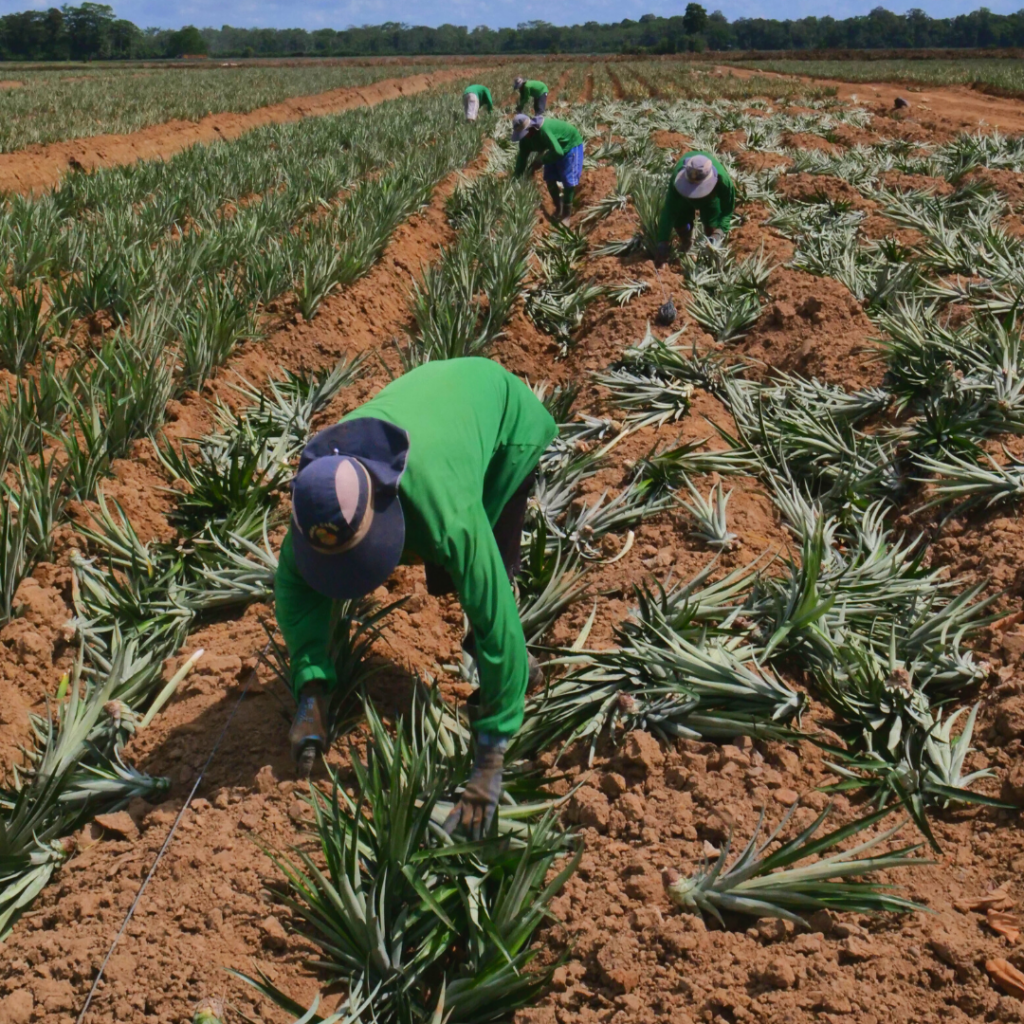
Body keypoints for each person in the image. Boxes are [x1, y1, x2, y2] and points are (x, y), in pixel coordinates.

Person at [276, 358, 557, 840]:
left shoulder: (446, 509)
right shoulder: (319, 503)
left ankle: (507, 681)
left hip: (501, 421)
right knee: (452, 569)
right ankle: (501, 671)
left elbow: (493, 610)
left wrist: (490, 759)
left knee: (482, 576)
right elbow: (297, 593)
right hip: (437, 413)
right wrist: (311, 688)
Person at [654, 151, 736, 265]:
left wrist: (718, 233)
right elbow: (669, 211)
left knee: (712, 224)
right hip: (685, 198)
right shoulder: (677, 181)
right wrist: (663, 241)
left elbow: (727, 210)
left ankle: (712, 261)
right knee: (680, 222)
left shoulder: (723, 181)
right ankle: (687, 243)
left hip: (710, 200)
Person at [512, 113, 584, 225]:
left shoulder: (543, 131)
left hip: (569, 144)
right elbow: (522, 159)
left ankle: (566, 214)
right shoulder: (525, 141)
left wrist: (541, 161)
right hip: (554, 148)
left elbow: (559, 152)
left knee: (568, 180)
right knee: (550, 178)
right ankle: (558, 207)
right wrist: (516, 177)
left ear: (530, 129)